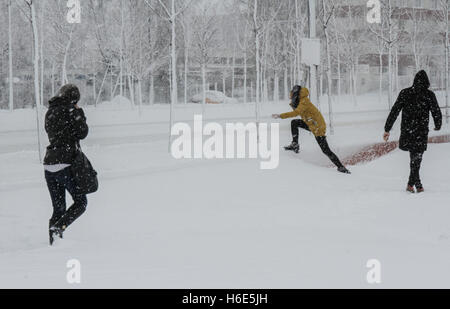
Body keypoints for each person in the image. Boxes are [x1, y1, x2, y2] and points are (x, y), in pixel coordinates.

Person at [43, 84, 89, 245]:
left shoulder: (50, 111)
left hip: (49, 165)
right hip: (65, 164)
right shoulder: (70, 111)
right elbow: (82, 133)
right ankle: (58, 229)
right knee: (81, 203)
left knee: (59, 208)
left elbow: (53, 133)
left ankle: (54, 242)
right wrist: (78, 112)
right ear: (74, 98)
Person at [383, 70, 442, 193]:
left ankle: (412, 184)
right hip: (420, 131)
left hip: (408, 130)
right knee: (417, 157)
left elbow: (395, 110)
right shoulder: (429, 95)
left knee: (414, 157)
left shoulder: (405, 93)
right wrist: (438, 124)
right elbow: (436, 111)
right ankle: (416, 184)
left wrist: (387, 128)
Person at [273, 85, 350, 174]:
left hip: (317, 127)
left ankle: (341, 167)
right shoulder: (301, 100)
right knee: (294, 122)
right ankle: (295, 144)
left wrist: (280, 116)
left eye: (292, 94)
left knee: (325, 150)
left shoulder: (304, 101)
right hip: (311, 123)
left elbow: (296, 112)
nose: (290, 96)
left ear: (296, 94)